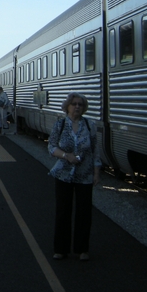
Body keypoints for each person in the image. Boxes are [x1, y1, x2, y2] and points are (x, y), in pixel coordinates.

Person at [47, 92, 101, 261]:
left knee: (84, 212)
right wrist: (66, 156)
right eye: (74, 104)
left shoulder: (89, 125)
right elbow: (51, 147)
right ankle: (60, 249)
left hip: (84, 175)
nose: (77, 107)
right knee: (63, 211)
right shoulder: (60, 125)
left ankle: (82, 249)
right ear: (67, 106)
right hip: (63, 174)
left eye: (80, 104)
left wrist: (96, 173)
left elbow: (95, 151)